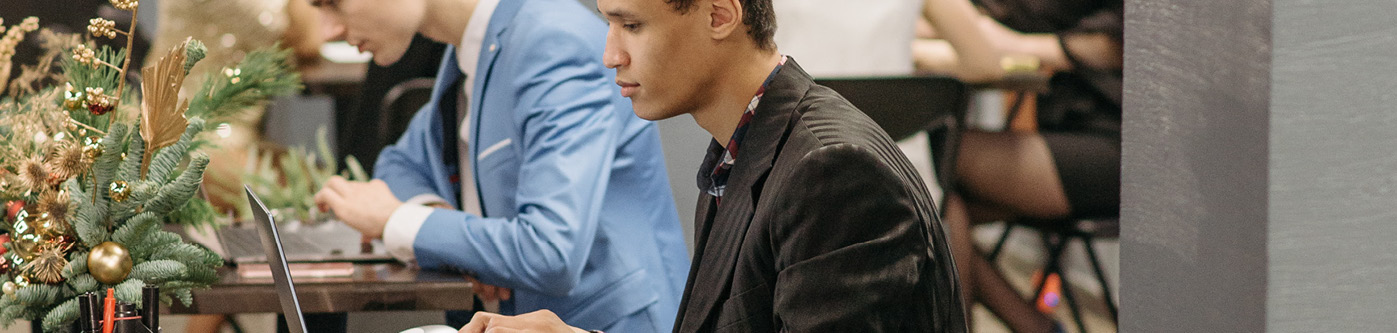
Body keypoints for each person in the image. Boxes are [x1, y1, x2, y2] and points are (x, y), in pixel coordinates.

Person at [459, 0, 968, 330]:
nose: (610, 54)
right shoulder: (746, 147)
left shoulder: (833, 172)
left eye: (631, 25)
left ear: (720, 15)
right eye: (609, 24)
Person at [309, 0, 691, 331]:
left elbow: (549, 251)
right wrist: (445, 229)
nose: (329, 29)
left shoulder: (551, 42)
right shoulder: (471, 48)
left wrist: (398, 221)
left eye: (334, 2)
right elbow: (399, 163)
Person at [916, 0, 1122, 331]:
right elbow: (991, 14)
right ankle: (1037, 327)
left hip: (1122, 149)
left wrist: (1015, 45)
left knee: (930, 163)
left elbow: (1118, 43)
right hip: (1066, 132)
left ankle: (1033, 327)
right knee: (939, 206)